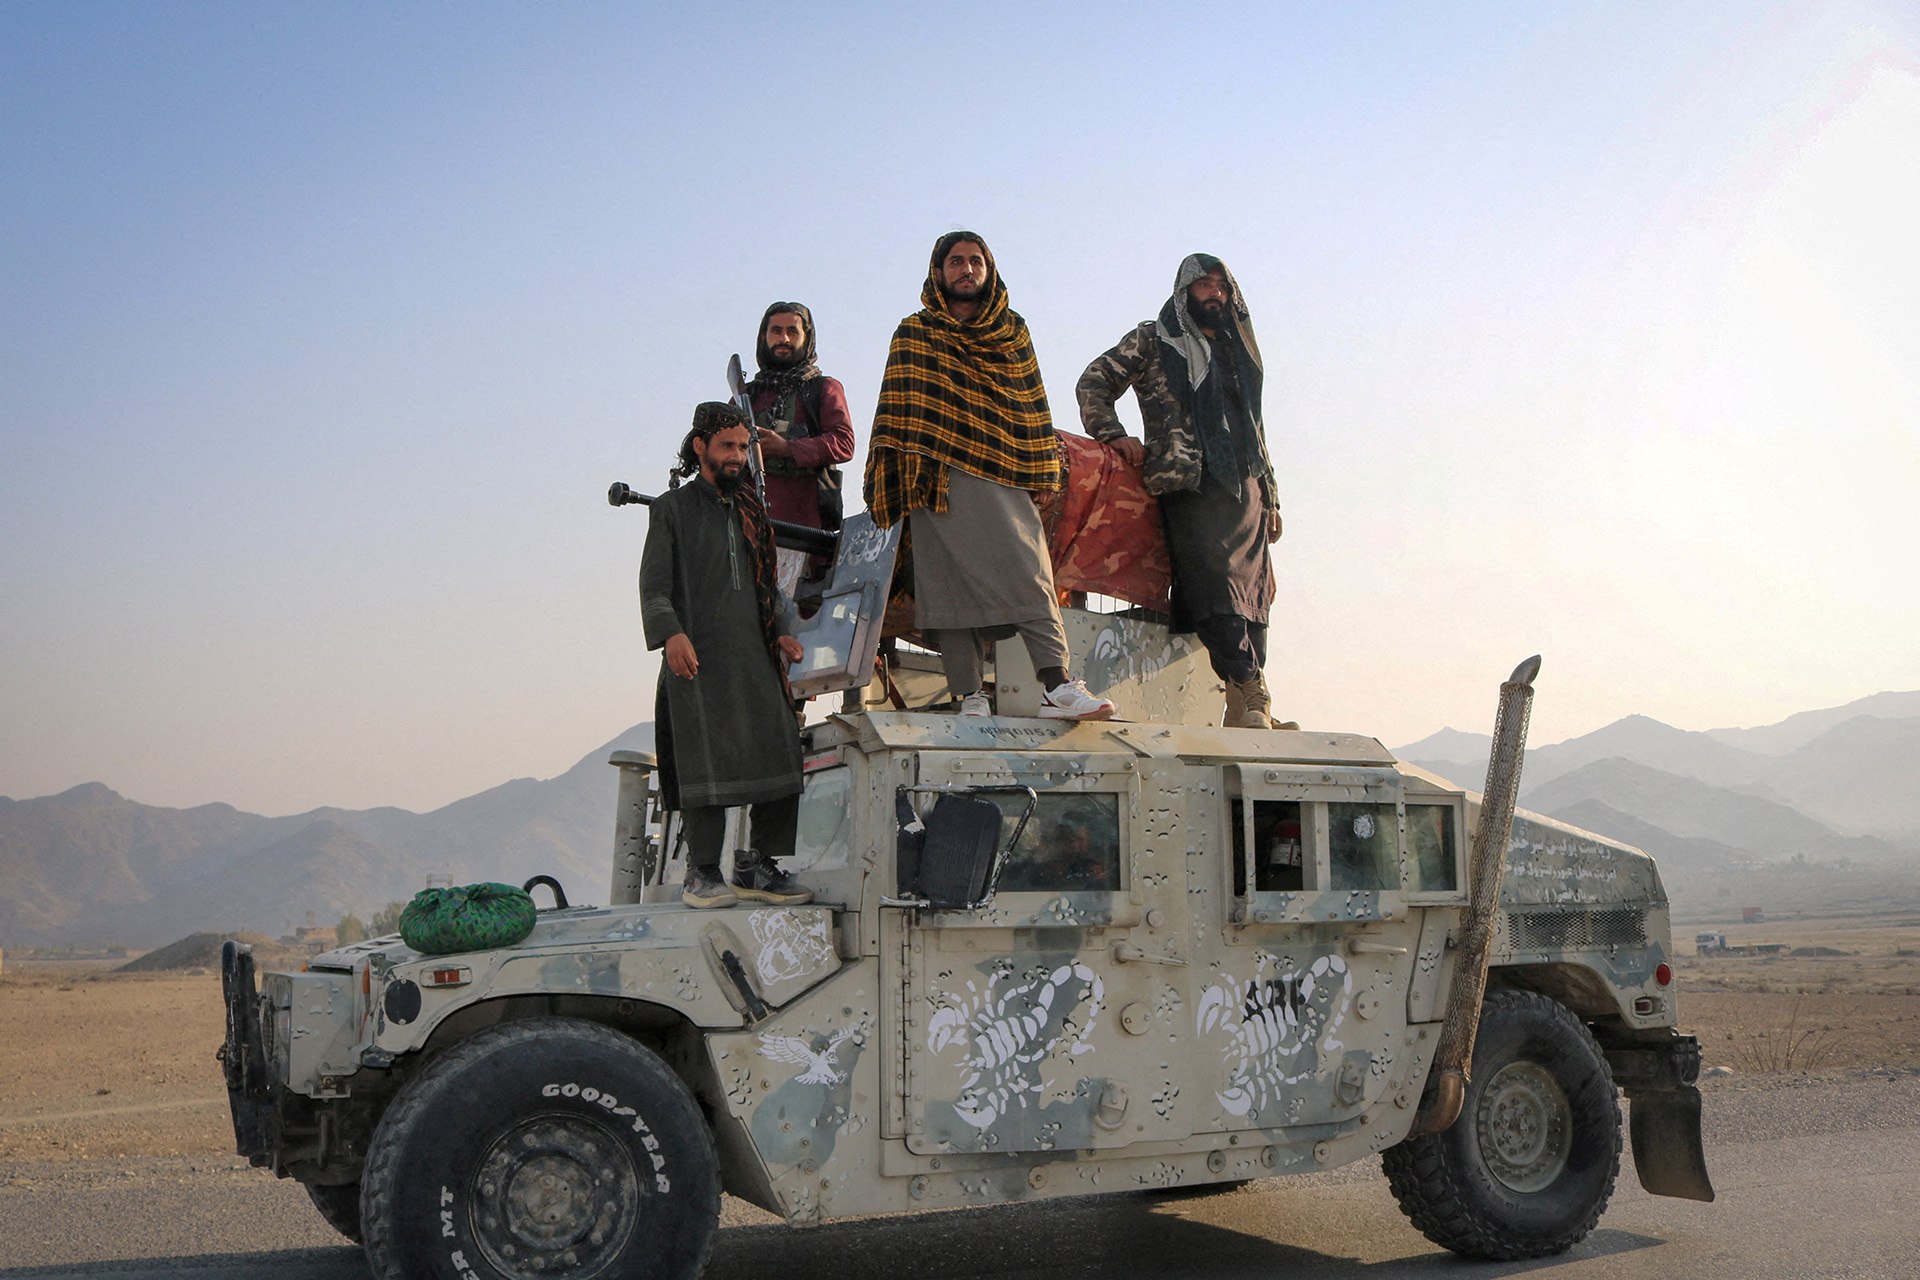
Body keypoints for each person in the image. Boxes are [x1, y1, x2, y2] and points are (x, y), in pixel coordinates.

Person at [863, 230, 1114, 721]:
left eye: (975, 261)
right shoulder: (914, 333)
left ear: (989, 269)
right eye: (956, 261)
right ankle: (968, 696)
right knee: (947, 589)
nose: (966, 269)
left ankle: (1057, 687)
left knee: (1029, 574)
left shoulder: (1012, 332)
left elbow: (1030, 409)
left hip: (1001, 471)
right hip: (935, 480)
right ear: (939, 272)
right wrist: (892, 478)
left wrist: (1041, 467)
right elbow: (896, 412)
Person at [1075, 254, 1294, 730]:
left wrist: (1271, 495)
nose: (1214, 292)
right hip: (1189, 481)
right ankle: (1251, 688)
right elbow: (1094, 381)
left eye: (1221, 285)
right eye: (1204, 285)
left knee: (1253, 601)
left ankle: (1245, 707)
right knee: (1214, 588)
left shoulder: (1240, 351)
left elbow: (1254, 428)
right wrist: (1112, 434)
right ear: (1185, 291)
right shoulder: (1154, 339)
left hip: (1246, 485)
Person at [640, 402, 814, 909]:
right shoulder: (671, 510)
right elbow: (654, 588)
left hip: (755, 655)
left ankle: (757, 865)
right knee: (705, 763)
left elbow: (770, 587)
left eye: (743, 447)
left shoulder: (752, 509)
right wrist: (670, 635)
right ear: (700, 448)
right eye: (728, 447)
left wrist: (781, 632)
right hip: (696, 658)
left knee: (780, 750)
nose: (737, 456)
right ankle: (703, 872)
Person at [744, 301, 855, 597]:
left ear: (806, 337)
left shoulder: (822, 388)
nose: (783, 339)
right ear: (763, 337)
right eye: (776, 331)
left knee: (800, 618)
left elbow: (844, 442)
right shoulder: (747, 398)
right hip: (751, 529)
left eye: (792, 331)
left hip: (805, 528)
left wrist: (788, 448)